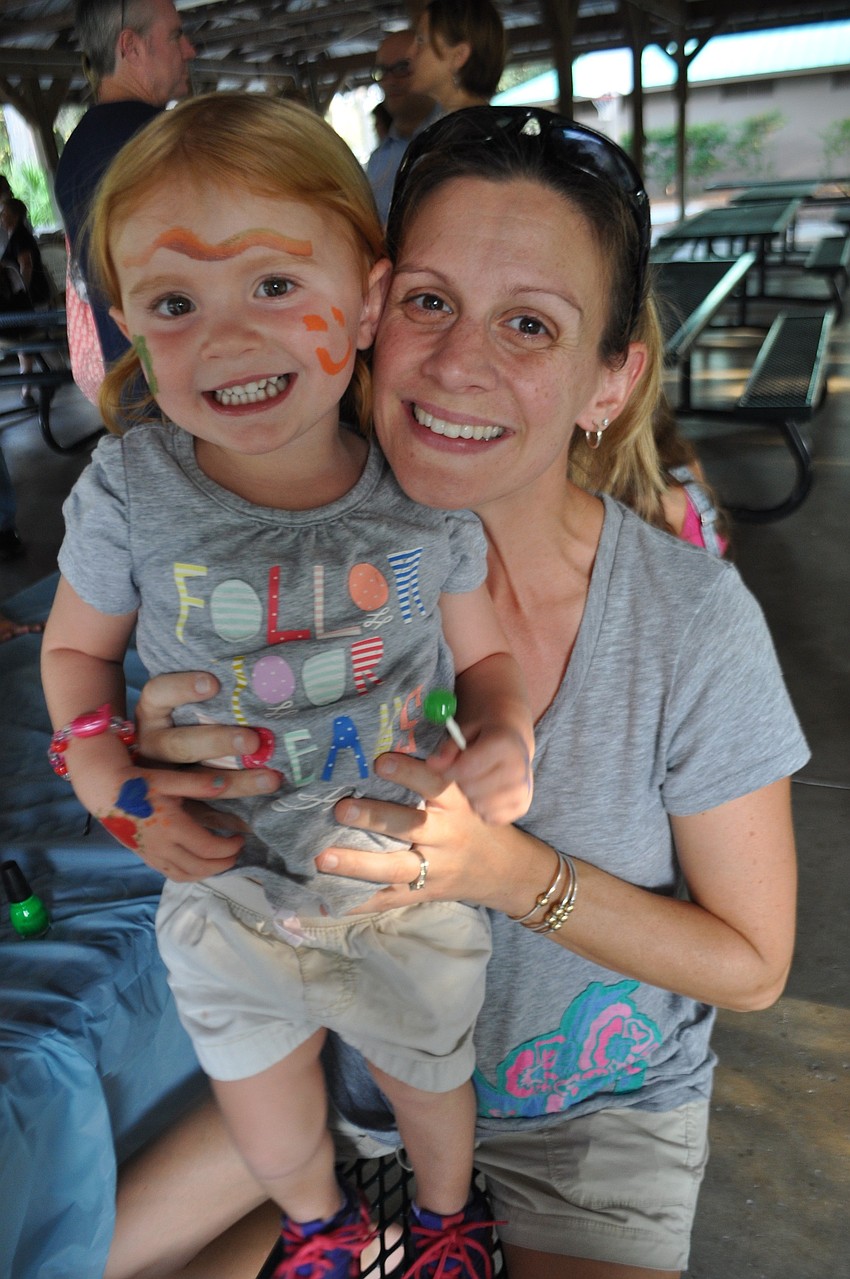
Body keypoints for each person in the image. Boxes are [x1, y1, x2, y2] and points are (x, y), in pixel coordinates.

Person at [122, 106, 807, 1279]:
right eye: (429, 302)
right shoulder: (249, 561)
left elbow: (753, 964)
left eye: (528, 323)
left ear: (609, 377)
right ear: (368, 314)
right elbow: (171, 805)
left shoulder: (687, 623)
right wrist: (155, 793)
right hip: (336, 1080)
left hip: (587, 1124)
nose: (456, 363)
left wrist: (505, 873)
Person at [41, 92, 534, 1279]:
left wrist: (506, 728)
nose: (226, 336)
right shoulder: (128, 489)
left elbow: (486, 657)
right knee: (256, 1087)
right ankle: (320, 1222)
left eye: (273, 286)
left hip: (397, 871)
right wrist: (109, 777)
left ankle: (445, 1213)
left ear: (366, 300)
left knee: (429, 1069)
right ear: (125, 328)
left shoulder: (420, 485)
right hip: (222, 880)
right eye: (174, 303)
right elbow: (71, 656)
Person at [55, 0, 195, 370]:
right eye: (176, 36)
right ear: (130, 46)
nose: (189, 50)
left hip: (132, 377)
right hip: (194, 382)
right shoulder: (163, 141)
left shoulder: (77, 149)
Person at [366, 30, 440, 225]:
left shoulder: (458, 134)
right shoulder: (378, 161)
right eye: (382, 71)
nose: (390, 81)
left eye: (402, 67)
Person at [407, 0, 506, 113]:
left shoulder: (468, 127)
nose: (409, 53)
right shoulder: (469, 123)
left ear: (459, 55)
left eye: (420, 40)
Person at [1, 195, 53, 406]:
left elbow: (26, 265)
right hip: (27, 297)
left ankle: (29, 387)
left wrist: (24, 292)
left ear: (13, 216)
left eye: (3, 213)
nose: (1, 217)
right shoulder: (15, 236)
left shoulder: (20, 236)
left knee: (27, 340)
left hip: (33, 296)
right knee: (27, 342)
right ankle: (28, 388)